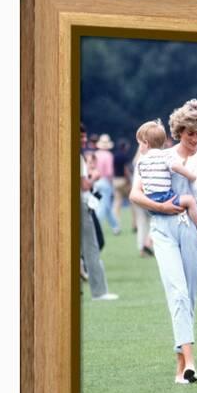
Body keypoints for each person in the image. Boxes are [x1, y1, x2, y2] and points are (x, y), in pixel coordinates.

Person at [130, 99, 197, 384]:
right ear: (178, 130)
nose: (195, 138)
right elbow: (135, 194)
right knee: (177, 293)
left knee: (188, 298)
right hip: (163, 230)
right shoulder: (160, 156)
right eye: (190, 133)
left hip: (192, 231)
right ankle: (190, 363)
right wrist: (165, 208)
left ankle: (181, 366)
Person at [136, 118, 197, 239]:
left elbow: (142, 178)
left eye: (139, 144)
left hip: (150, 201)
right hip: (164, 197)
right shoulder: (165, 156)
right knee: (190, 200)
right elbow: (176, 167)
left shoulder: (141, 161)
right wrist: (191, 176)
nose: (139, 147)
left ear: (146, 143)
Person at [80, 124, 119, 301]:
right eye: (82, 137)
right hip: (85, 200)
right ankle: (99, 291)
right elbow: (85, 184)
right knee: (92, 247)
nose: (85, 140)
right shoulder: (81, 157)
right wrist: (94, 177)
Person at [94, 133, 120, 235]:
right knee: (103, 207)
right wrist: (111, 184)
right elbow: (109, 172)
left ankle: (115, 227)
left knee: (106, 206)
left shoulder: (95, 154)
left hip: (96, 181)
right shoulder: (108, 155)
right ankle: (96, 226)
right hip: (105, 181)